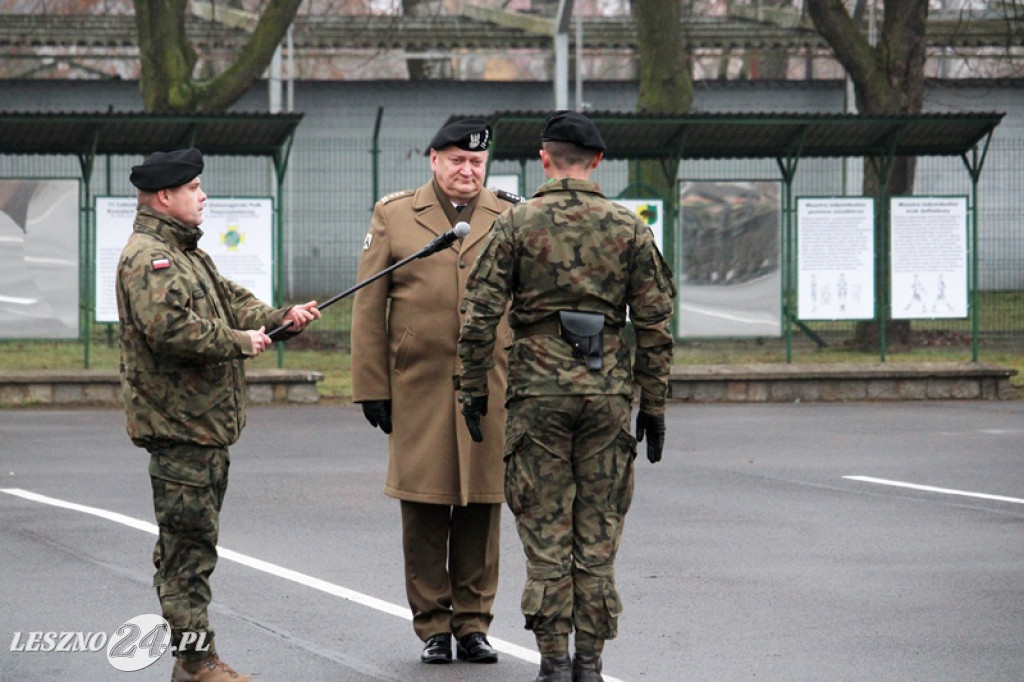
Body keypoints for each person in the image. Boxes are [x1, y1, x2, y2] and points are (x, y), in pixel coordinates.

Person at [456, 111, 676, 682]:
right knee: (598, 529)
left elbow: (479, 316)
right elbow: (654, 324)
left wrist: (473, 389)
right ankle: (590, 662)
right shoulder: (629, 228)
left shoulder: (515, 223)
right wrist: (652, 403)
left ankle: (553, 660)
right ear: (598, 162)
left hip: (536, 391)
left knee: (546, 530)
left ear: (544, 158)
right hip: (606, 391)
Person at [116, 147, 320, 682]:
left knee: (192, 544)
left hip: (201, 429)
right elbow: (170, 329)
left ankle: (193, 660)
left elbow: (231, 301)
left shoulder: (187, 255)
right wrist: (240, 341)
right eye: (194, 188)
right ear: (166, 196)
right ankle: (196, 661)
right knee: (187, 550)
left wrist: (281, 319)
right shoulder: (150, 257)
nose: (203, 196)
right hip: (179, 428)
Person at [350, 119, 520, 664]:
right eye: (456, 161)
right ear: (433, 161)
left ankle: (473, 623)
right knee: (423, 504)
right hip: (417, 382)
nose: (468, 171)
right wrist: (371, 384)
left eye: (476, 162)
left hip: (491, 382)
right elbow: (369, 304)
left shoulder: (511, 214)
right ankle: (433, 625)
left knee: (481, 502)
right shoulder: (396, 214)